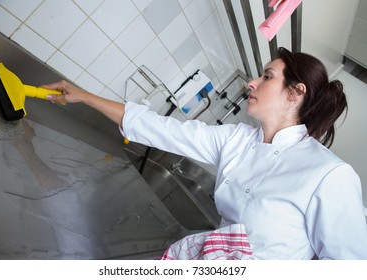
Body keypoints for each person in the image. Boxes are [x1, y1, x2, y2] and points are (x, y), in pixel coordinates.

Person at [43, 47, 367, 259]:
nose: (252, 83)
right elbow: (165, 130)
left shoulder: (328, 174)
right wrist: (85, 97)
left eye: (267, 76)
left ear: (295, 93)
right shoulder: (238, 140)